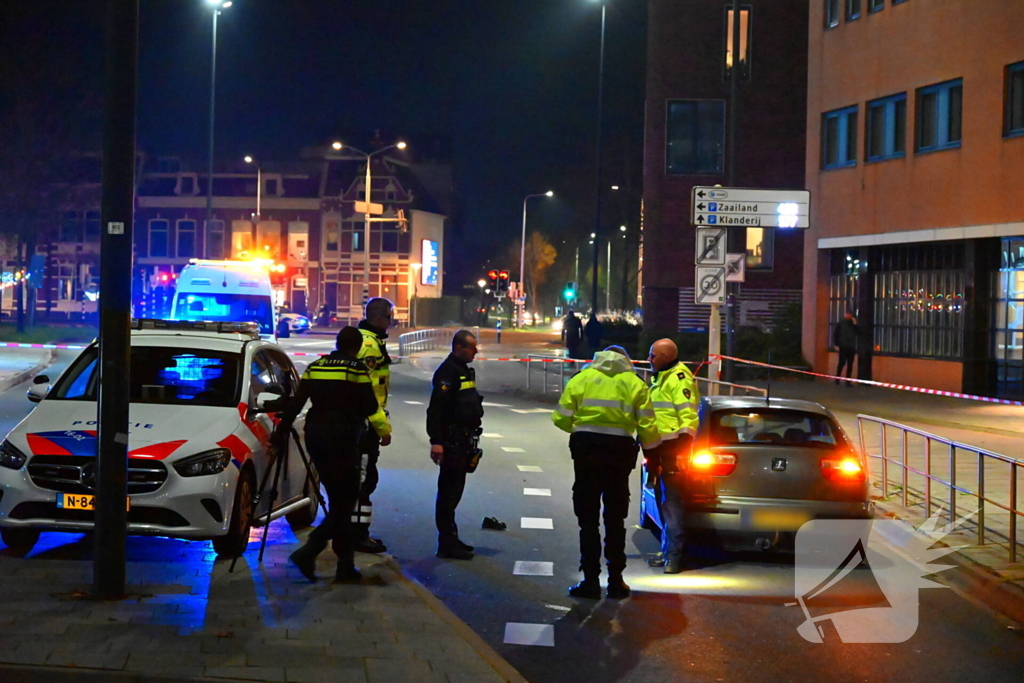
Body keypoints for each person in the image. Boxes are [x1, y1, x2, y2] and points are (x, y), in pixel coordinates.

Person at [552, 345, 662, 600]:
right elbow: (648, 426)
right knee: (615, 519)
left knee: (587, 519)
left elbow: (560, 418)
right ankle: (616, 581)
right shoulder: (634, 383)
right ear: (626, 360)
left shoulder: (582, 378)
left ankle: (590, 581)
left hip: (587, 451)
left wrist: (581, 428)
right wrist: (653, 456)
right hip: (619, 454)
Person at [277, 326, 381, 582]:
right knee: (345, 502)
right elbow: (370, 405)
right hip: (343, 441)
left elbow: (297, 402)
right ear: (356, 347)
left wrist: (279, 433)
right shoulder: (356, 369)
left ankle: (345, 567)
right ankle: (311, 550)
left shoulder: (316, 366)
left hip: (316, 438)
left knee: (338, 500)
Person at [426, 330, 485, 560]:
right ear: (459, 347)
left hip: (463, 439)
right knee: (448, 492)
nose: (476, 351)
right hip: (451, 440)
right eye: (472, 347)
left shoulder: (463, 371)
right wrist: (436, 441)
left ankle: (451, 537)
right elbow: (436, 409)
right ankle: (446, 543)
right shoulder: (448, 372)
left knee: (455, 490)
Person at [646, 338, 699, 574]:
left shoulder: (679, 379)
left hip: (672, 450)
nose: (649, 359)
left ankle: (674, 557)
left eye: (653, 355)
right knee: (662, 502)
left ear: (666, 357)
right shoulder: (662, 377)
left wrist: (680, 453)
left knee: (672, 504)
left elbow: (688, 419)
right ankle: (668, 550)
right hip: (659, 449)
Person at [353, 297, 395, 553]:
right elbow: (368, 393)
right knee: (364, 482)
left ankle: (355, 533)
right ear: (379, 318)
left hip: (361, 423)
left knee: (363, 481)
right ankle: (358, 535)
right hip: (365, 425)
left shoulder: (367, 340)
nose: (391, 322)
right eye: (389, 317)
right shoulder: (369, 345)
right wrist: (382, 427)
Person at [833, 310, 859, 387]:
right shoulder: (841, 323)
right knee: (841, 363)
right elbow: (836, 334)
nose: (848, 315)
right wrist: (836, 344)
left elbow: (859, 333)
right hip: (843, 346)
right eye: (847, 314)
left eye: (849, 314)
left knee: (850, 364)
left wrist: (855, 324)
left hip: (851, 346)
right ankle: (837, 379)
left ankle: (847, 381)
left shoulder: (853, 324)